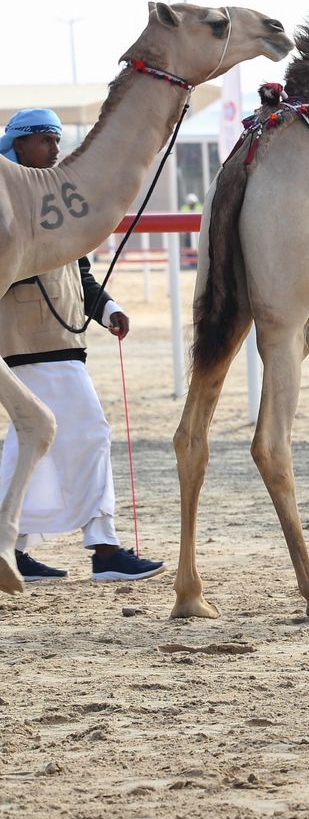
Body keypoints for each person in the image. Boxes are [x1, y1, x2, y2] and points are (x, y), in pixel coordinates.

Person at [0, 109, 165, 583]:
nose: (55, 148)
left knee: (32, 444)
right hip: (26, 341)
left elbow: (81, 274)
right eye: (44, 140)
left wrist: (108, 308)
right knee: (89, 431)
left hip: (62, 339)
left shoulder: (55, 201)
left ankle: (16, 546)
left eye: (57, 138)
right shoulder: (9, 202)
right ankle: (105, 548)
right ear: (20, 145)